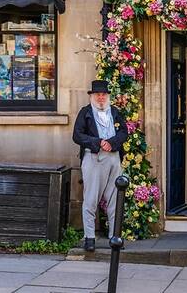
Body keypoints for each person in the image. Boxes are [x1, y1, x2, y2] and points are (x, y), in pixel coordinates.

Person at [72, 80, 128, 252]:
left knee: (114, 199)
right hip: (94, 158)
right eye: (98, 94)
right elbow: (77, 135)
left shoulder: (115, 112)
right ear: (92, 96)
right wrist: (97, 142)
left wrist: (112, 142)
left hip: (113, 158)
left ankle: (114, 237)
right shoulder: (85, 112)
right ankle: (89, 237)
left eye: (104, 94)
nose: (101, 97)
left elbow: (124, 132)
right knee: (91, 198)